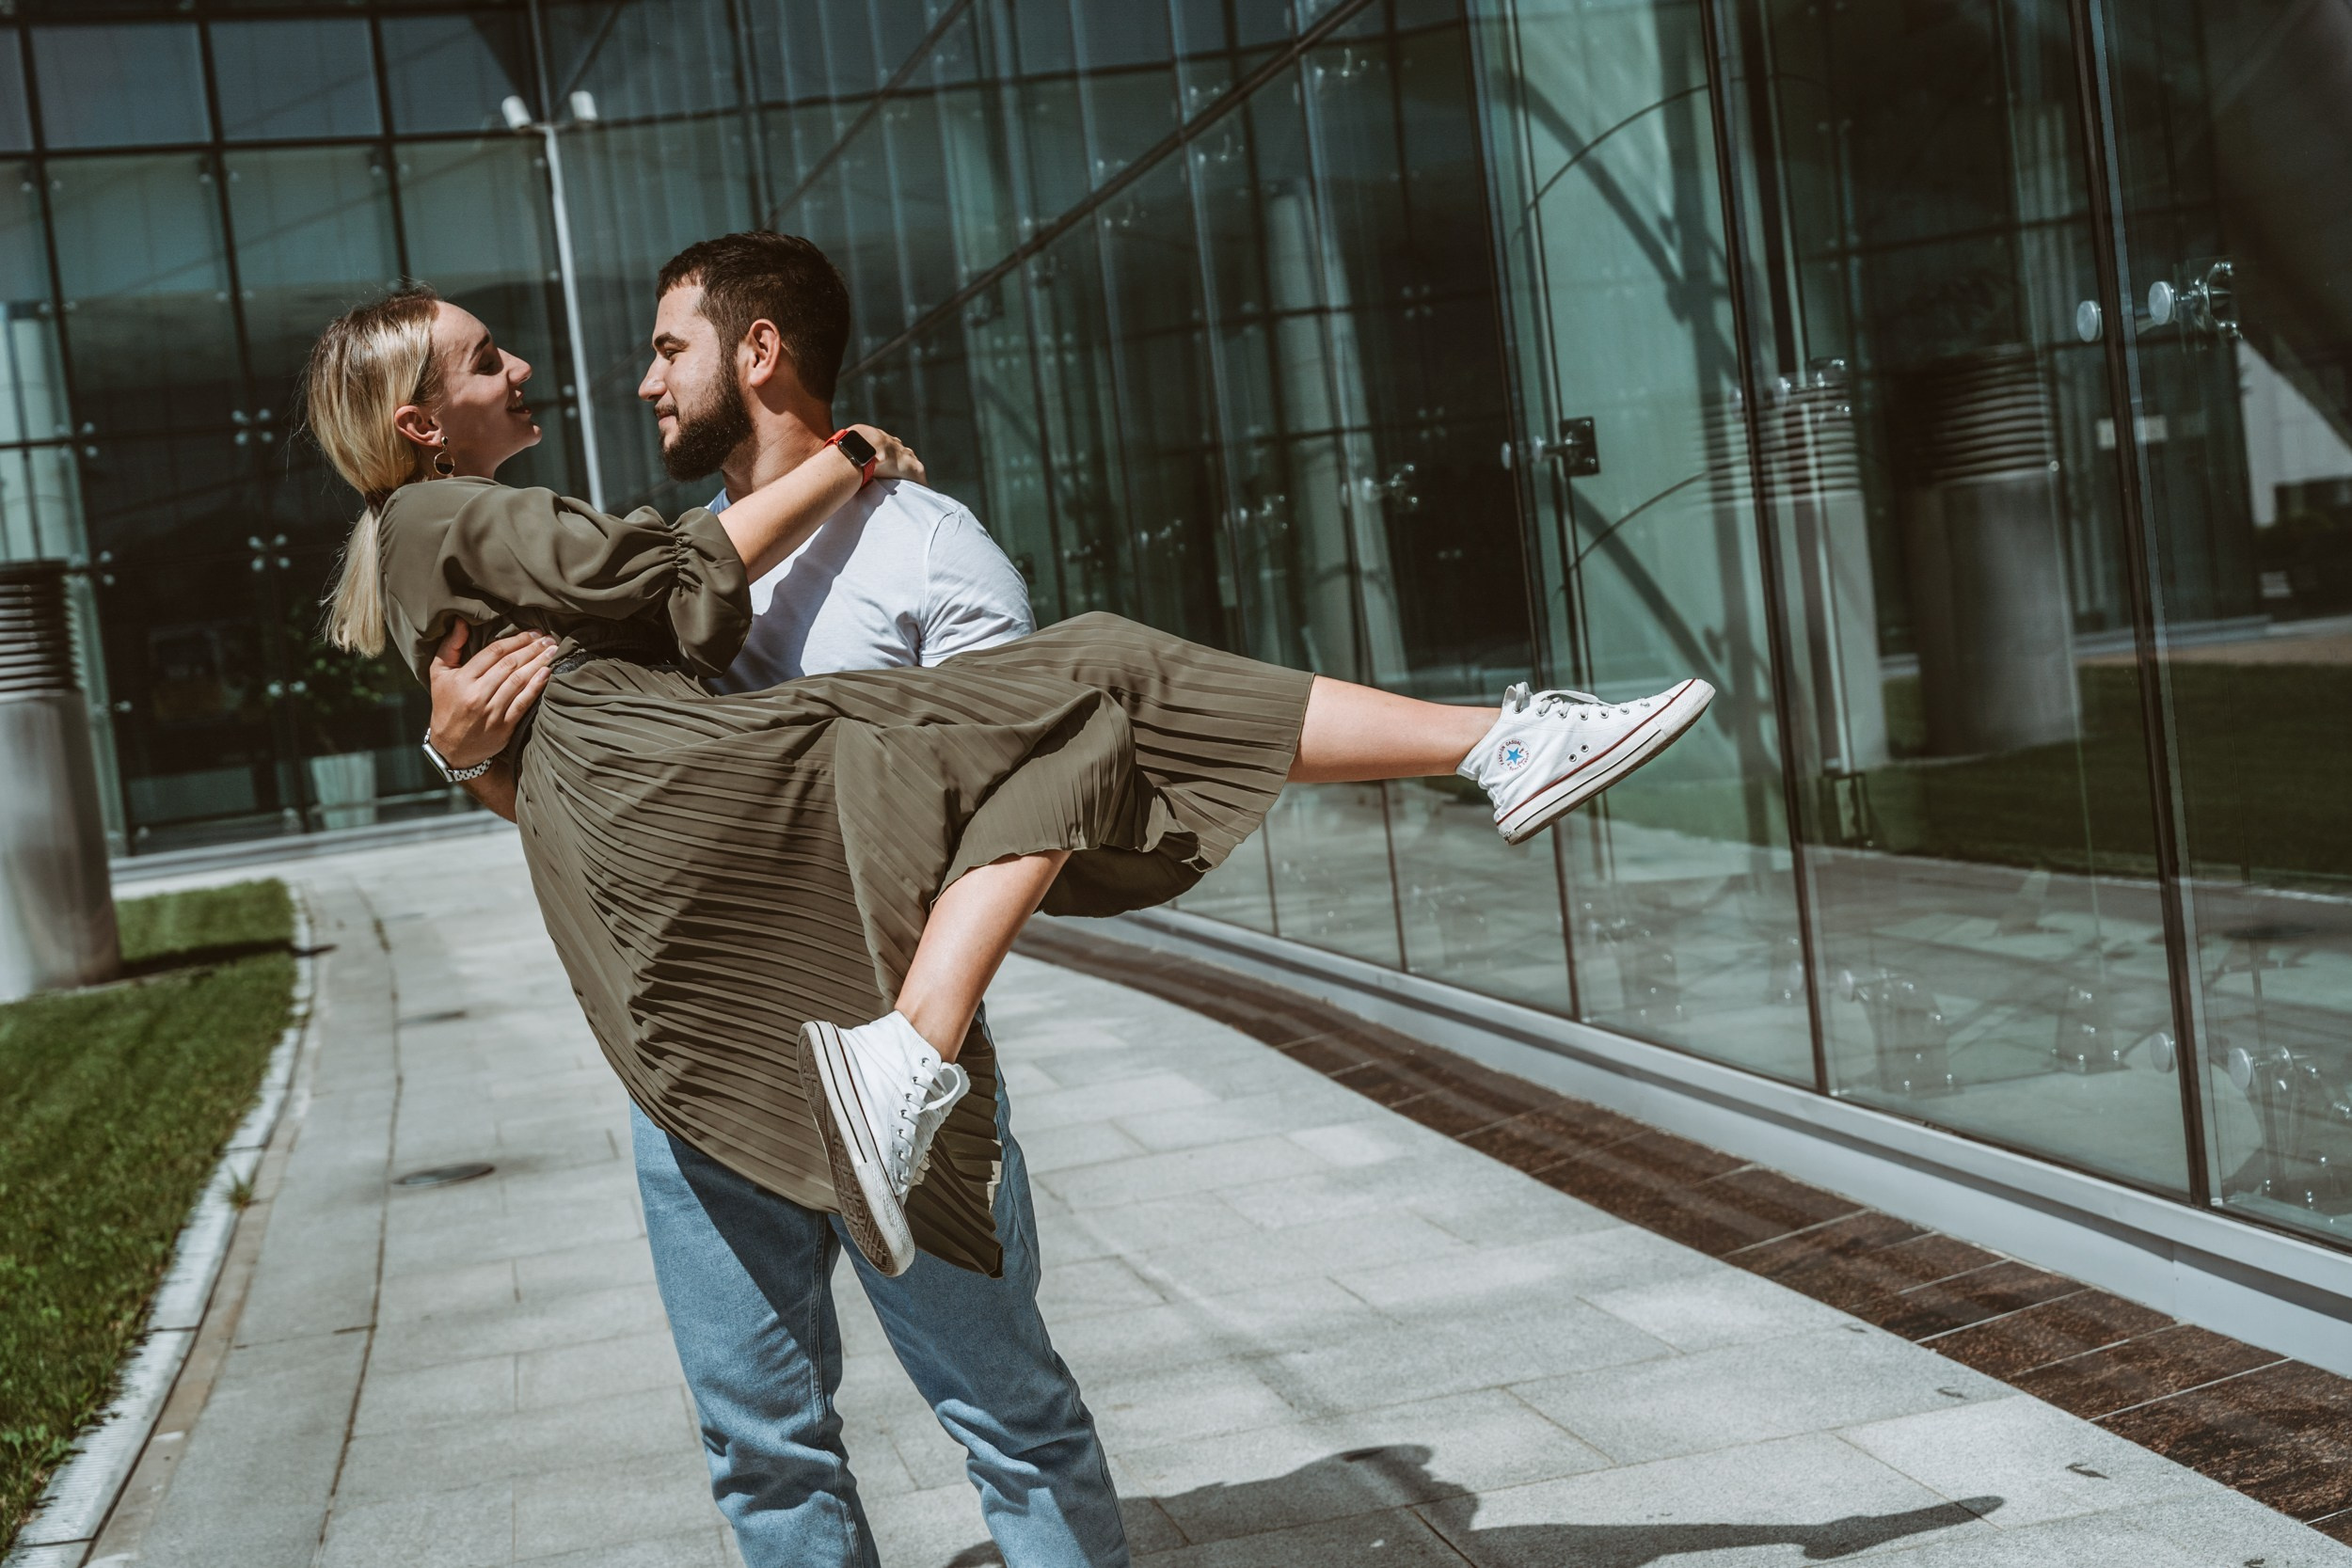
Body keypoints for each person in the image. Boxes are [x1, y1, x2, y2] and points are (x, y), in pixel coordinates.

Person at [302, 259, 1710, 1384]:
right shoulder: (439, 518)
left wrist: (456, 753)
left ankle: (1500, 748)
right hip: (730, 789)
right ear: (421, 424)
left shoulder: (444, 549)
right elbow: (656, 572)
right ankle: (1499, 743)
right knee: (1096, 676)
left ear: (756, 351)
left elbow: (578, 716)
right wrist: (844, 458)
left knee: (1089, 696)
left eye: (656, 349)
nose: (528, 367)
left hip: (707, 817)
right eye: (487, 359)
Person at [427, 233, 1117, 1568]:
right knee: (761, 1453)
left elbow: (1026, 813)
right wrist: (459, 750)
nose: (643, 383)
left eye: (668, 348)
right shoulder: (646, 579)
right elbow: (569, 808)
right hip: (687, 1081)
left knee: (1009, 1419)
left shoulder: (931, 557)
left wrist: (920, 1033)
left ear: (757, 353)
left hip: (888, 1071)